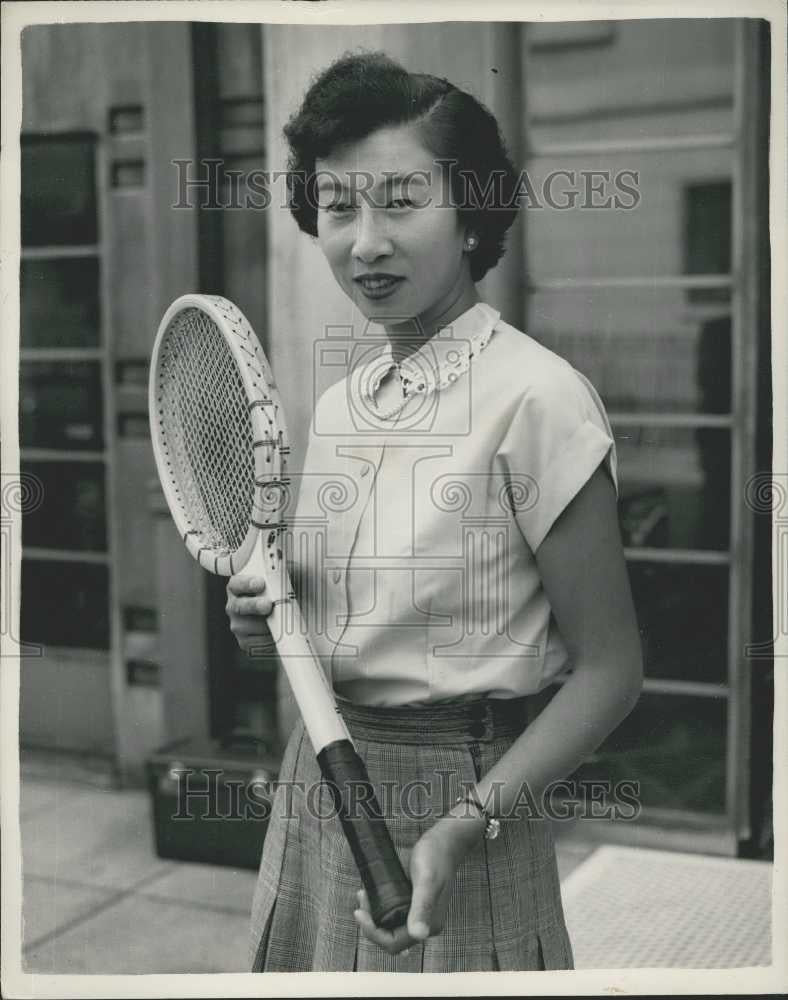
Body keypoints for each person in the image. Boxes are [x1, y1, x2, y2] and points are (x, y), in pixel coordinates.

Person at [226, 51, 643, 973]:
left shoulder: (538, 399)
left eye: (401, 200)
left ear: (471, 214)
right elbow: (318, 632)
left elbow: (612, 671)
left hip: (469, 803)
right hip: (322, 789)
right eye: (338, 207)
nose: (365, 241)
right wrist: (262, 618)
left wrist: (462, 827)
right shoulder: (343, 403)